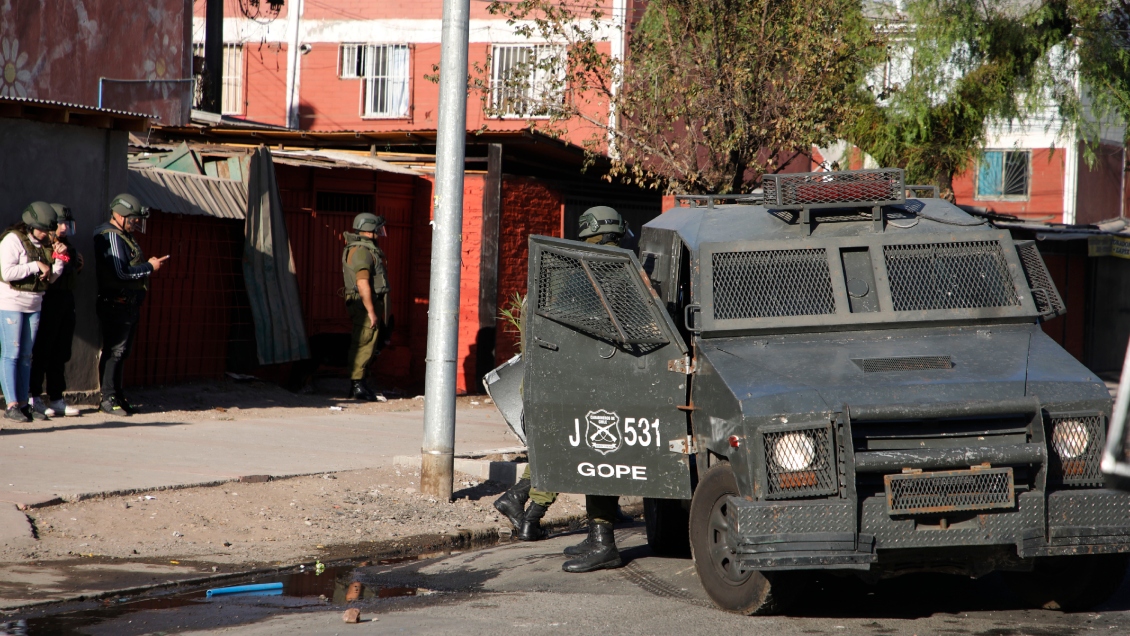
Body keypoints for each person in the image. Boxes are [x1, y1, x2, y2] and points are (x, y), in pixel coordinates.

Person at [494, 206, 631, 573]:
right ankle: (535, 511)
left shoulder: (563, 270)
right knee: (598, 451)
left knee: (561, 447)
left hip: (548, 377)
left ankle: (525, 508)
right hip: (578, 380)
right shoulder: (609, 275)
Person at [93, 194, 167, 416]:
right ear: (118, 215)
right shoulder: (111, 236)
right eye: (132, 218)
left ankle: (117, 393)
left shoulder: (124, 236)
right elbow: (120, 271)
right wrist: (149, 267)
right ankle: (108, 398)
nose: (135, 222)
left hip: (129, 304)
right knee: (115, 351)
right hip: (116, 304)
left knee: (122, 352)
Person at [0, 202, 66, 422]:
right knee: (12, 353)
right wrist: (36, 265)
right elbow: (7, 272)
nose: (47, 234)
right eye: (43, 229)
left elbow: (52, 278)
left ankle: (23, 402)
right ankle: (11, 404)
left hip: (34, 304)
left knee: (27, 356)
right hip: (11, 304)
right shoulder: (13, 239)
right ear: (31, 225)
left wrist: (58, 261)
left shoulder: (46, 244)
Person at [29, 203, 82, 418]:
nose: (64, 229)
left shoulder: (67, 246)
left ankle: (57, 397)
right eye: (60, 224)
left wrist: (76, 263)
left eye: (66, 224)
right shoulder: (42, 246)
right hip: (47, 300)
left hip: (66, 300)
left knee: (61, 351)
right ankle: (34, 396)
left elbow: (73, 267)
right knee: (42, 350)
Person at [341, 213, 390, 402]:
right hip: (364, 306)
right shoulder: (362, 251)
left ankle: (361, 383)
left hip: (368, 305)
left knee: (369, 344)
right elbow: (362, 283)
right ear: (370, 230)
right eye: (378, 229)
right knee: (363, 343)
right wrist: (370, 311)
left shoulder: (367, 248)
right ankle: (356, 385)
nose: (380, 232)